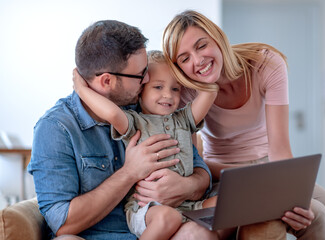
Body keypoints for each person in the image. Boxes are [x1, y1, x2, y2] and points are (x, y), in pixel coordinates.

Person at [157, 10, 325, 240]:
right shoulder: (184, 92)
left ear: (217, 38)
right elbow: (193, 163)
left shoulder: (265, 63)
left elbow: (280, 151)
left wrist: (287, 190)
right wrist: (242, 175)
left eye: (201, 46)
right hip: (224, 175)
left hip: (271, 170)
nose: (197, 60)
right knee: (320, 215)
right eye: (184, 58)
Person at [28, 20, 217, 240]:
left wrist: (184, 186)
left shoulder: (148, 105)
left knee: (200, 233)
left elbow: (200, 172)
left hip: (163, 228)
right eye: (140, 74)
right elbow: (62, 223)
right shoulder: (56, 128)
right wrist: (130, 173)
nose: (147, 79)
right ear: (107, 81)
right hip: (95, 236)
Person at [72, 50, 218, 240]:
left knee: (226, 204)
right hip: (146, 208)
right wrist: (82, 90)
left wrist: (198, 65)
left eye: (175, 89)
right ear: (140, 91)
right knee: (168, 217)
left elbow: (210, 91)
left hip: (185, 203)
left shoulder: (183, 119)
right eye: (158, 87)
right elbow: (113, 114)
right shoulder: (135, 122)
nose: (168, 95)